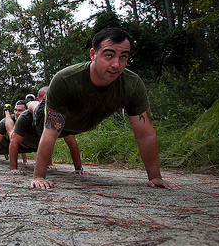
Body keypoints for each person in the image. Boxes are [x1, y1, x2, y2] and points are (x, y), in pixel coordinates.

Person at [30, 28, 180, 190]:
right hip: (43, 119)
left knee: (61, 126)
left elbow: (145, 133)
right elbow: (50, 132)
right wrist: (39, 176)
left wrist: (155, 177)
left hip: (76, 125)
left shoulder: (132, 85)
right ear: (93, 54)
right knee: (36, 108)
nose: (116, 64)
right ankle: (30, 102)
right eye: (109, 55)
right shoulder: (65, 79)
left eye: (123, 57)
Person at [10, 87, 85, 175]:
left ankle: (29, 103)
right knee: (10, 132)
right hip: (25, 143)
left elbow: (71, 142)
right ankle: (27, 103)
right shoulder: (25, 117)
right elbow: (14, 142)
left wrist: (78, 167)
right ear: (38, 100)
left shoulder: (59, 118)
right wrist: (13, 168)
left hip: (38, 143)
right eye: (46, 99)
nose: (50, 103)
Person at [0, 100, 29, 169]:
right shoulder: (5, 121)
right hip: (2, 144)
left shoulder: (31, 120)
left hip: (21, 144)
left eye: (20, 110)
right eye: (15, 110)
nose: (16, 113)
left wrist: (49, 164)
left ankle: (6, 112)